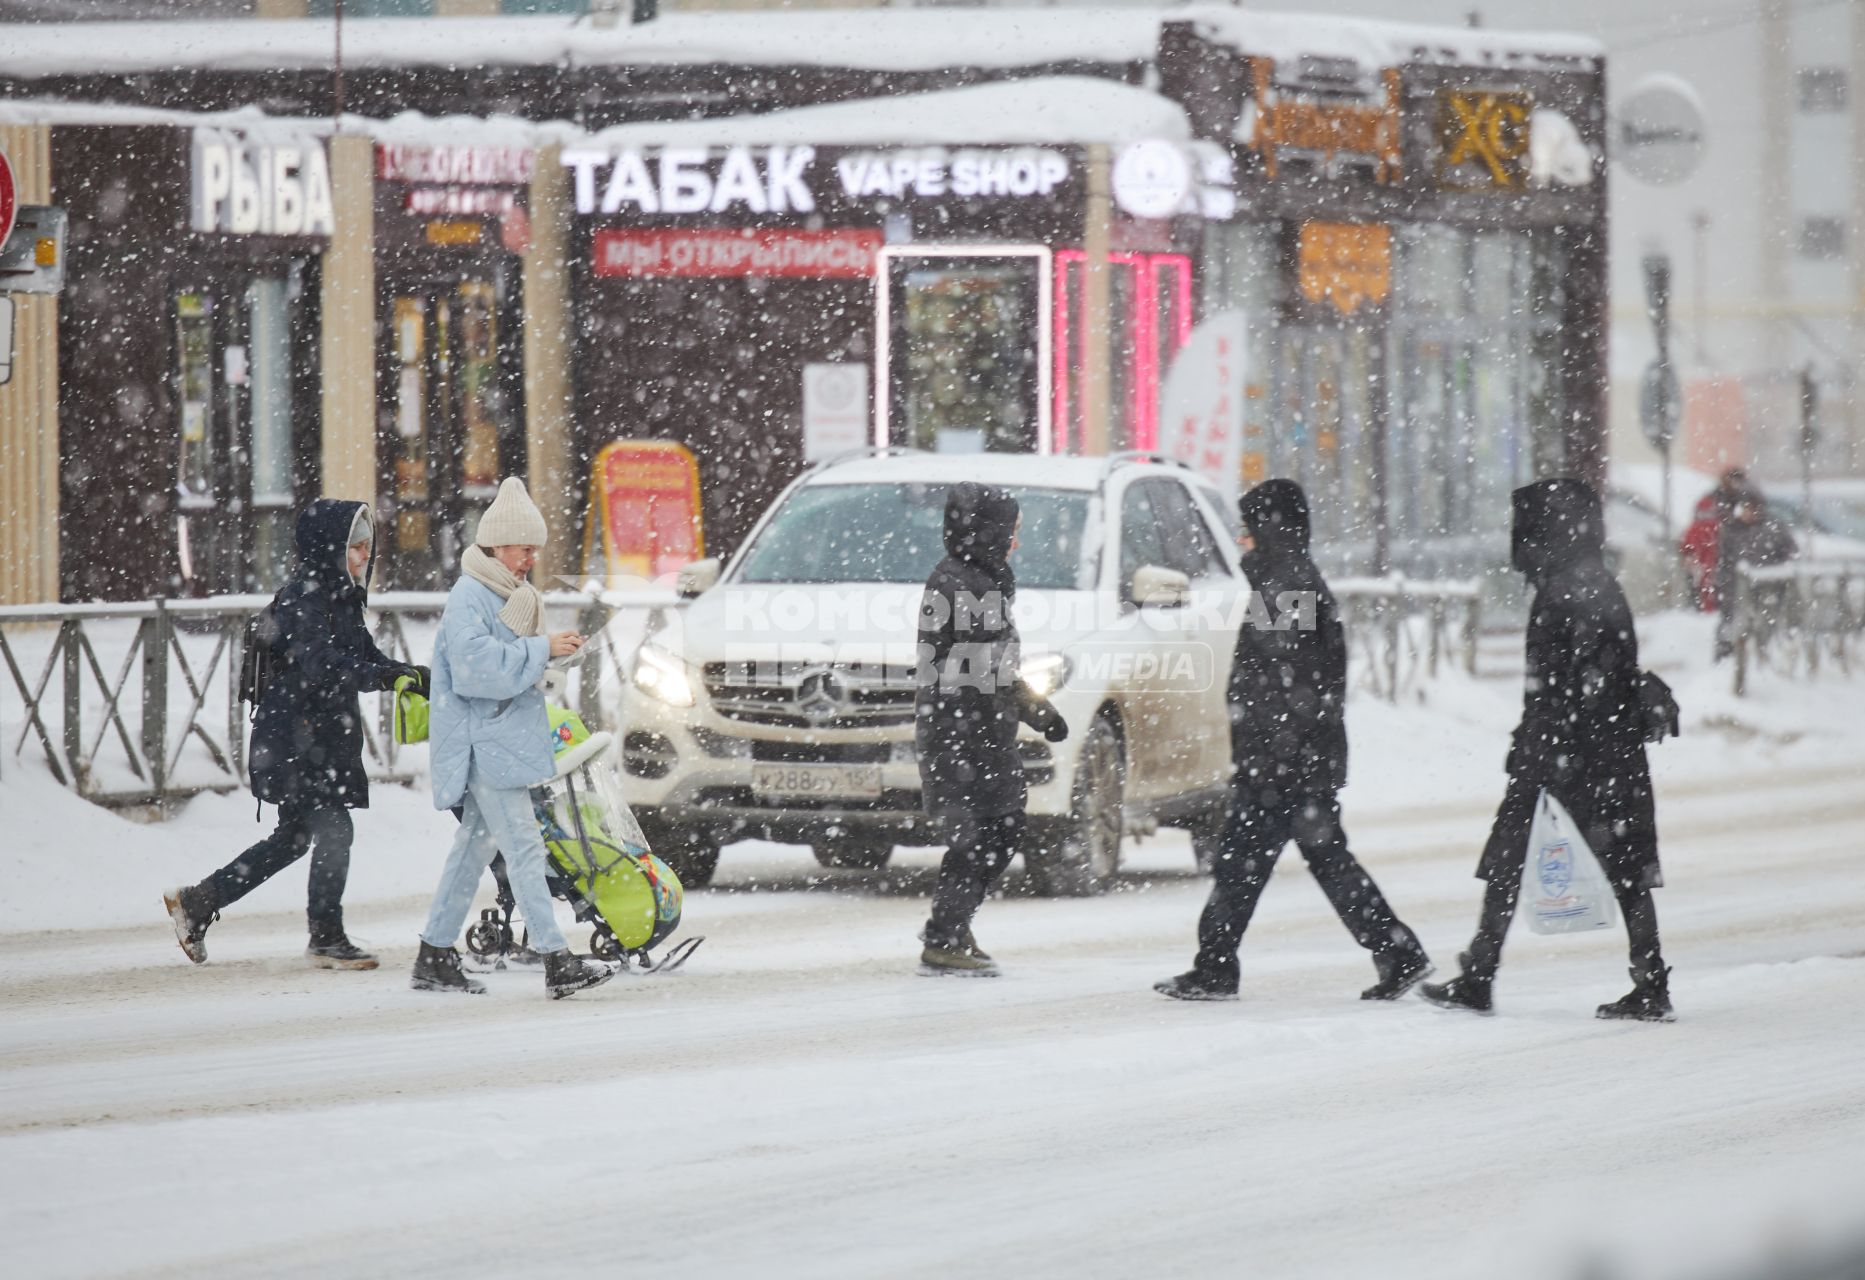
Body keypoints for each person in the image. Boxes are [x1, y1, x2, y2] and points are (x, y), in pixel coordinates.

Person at [1154, 480, 1431, 1003]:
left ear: (1271, 527)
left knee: (1244, 864)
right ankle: (1398, 953)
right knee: (1312, 861)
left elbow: (1284, 678)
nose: (1244, 542)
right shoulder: (1288, 578)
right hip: (1296, 757)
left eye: (1251, 529)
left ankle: (1216, 967)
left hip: (1283, 762)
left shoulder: (1287, 585)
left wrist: (1272, 753)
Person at [1421, 478, 1674, 1021]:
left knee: (1509, 861)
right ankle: (1648, 980)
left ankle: (1480, 975)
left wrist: (1537, 748)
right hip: (1601, 756)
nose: (1521, 547)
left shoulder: (1562, 591)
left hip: (1567, 756)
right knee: (1622, 867)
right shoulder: (1596, 581)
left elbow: (1561, 689)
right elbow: (1599, 677)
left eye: (1529, 532)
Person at [164, 500, 421, 970]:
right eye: (355, 548)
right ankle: (325, 936)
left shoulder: (340, 596)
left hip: (315, 734)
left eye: (367, 547)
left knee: (297, 835)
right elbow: (320, 665)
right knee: (334, 829)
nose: (364, 557)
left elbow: (364, 654)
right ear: (330, 548)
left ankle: (199, 901)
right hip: (295, 738)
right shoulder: (305, 597)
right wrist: (381, 679)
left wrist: (406, 672)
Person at [410, 477, 615, 999]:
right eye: (524, 548)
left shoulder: (503, 592)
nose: (530, 559)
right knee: (524, 848)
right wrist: (539, 650)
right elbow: (477, 671)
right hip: (486, 743)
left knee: (474, 848)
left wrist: (552, 653)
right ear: (498, 544)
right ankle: (557, 960)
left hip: (494, 739)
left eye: (534, 550)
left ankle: (433, 953)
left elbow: (505, 661)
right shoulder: (470, 596)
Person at [915, 482, 1068, 976]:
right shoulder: (968, 585)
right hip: (966, 735)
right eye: (1012, 531)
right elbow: (988, 671)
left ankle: (949, 929)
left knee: (990, 832)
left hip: (969, 731)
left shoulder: (973, 578)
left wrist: (1024, 710)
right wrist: (1035, 710)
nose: (1015, 541)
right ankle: (945, 934)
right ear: (990, 531)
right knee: (989, 834)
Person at [1713, 492, 1798, 661]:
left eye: (1751, 508)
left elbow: (1790, 555)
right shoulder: (1731, 530)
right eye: (1745, 508)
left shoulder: (1773, 529)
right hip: (1735, 593)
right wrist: (1723, 589)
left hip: (1767, 593)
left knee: (1764, 630)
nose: (1748, 513)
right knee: (1730, 631)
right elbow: (1724, 563)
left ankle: (1761, 660)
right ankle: (1725, 664)